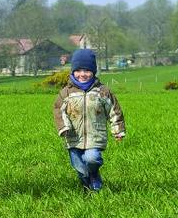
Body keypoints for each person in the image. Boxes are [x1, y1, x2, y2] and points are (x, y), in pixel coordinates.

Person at [53, 49, 125, 191]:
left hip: (95, 135)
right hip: (73, 136)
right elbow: (58, 110)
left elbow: (114, 110)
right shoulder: (66, 92)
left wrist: (118, 130)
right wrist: (64, 127)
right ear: (73, 72)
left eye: (87, 70)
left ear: (93, 71)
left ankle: (94, 174)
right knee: (78, 166)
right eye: (78, 70)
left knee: (92, 159)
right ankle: (87, 187)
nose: (82, 74)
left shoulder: (102, 91)